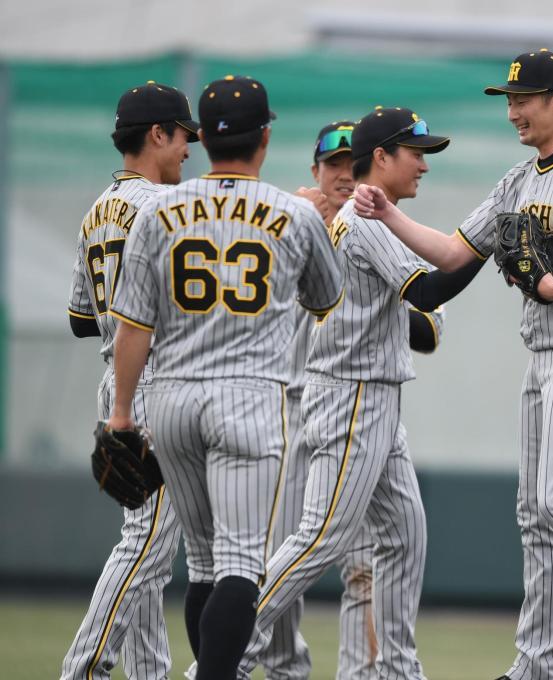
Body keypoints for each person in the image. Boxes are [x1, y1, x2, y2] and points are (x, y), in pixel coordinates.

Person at [354, 50, 553, 680]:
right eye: (508, 99)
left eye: (524, 98)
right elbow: (450, 253)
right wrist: (389, 215)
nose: (513, 110)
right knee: (535, 511)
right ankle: (536, 666)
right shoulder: (518, 180)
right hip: (544, 352)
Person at [105, 75, 343, 680]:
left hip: (173, 400)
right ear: (265, 137)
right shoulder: (295, 214)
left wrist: (122, 415)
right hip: (250, 399)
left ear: (204, 137)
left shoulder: (157, 211)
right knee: (240, 565)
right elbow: (326, 301)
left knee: (203, 564)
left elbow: (131, 326)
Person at [237, 105, 476, 680]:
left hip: (369, 395)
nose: (423, 164)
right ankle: (225, 658)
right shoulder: (362, 223)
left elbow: (426, 317)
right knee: (319, 539)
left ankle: (394, 670)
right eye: (415, 153)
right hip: (346, 396)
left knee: (402, 536)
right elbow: (431, 286)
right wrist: (485, 240)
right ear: (383, 158)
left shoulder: (373, 219)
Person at [63, 81, 197, 680]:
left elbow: (78, 319)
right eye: (183, 135)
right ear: (156, 134)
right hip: (149, 385)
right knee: (145, 546)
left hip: (115, 380)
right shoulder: (163, 208)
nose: (189, 147)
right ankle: (84, 668)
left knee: (145, 545)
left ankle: (149, 674)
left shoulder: (99, 207)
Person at [264, 119, 381, 680]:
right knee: (284, 556)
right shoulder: (283, 224)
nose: (342, 174)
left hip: (353, 406)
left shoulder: (376, 231)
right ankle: (281, 667)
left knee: (364, 564)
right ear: (315, 170)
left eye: (354, 163)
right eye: (333, 163)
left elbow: (426, 327)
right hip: (287, 411)